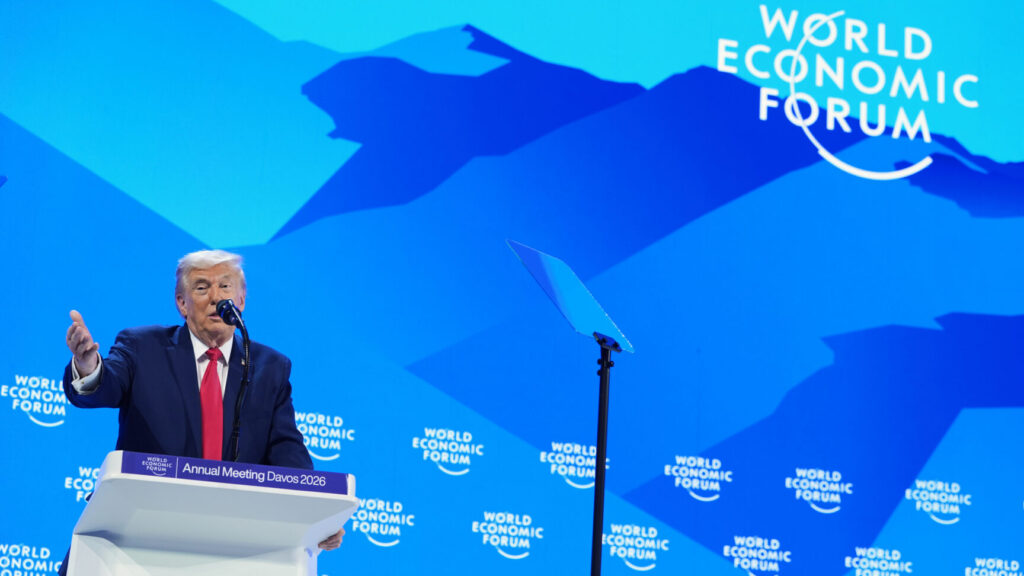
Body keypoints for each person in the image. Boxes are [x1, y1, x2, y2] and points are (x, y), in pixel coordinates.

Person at [60, 250, 342, 574]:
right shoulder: (143, 347)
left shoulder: (270, 368)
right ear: (182, 303)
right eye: (202, 288)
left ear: (241, 299)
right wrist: (87, 365)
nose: (216, 298)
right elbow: (105, 385)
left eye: (225, 286)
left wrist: (315, 517)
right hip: (138, 536)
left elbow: (288, 453)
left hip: (231, 545)